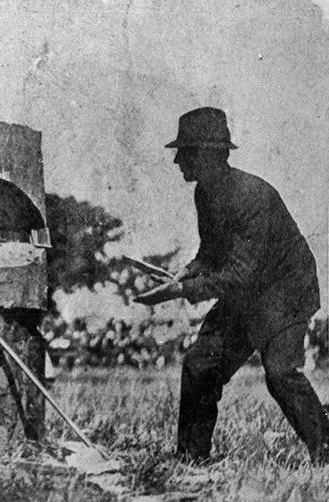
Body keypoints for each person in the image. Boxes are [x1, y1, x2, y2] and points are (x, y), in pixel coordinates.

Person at [134, 107, 329, 465]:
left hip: (286, 291)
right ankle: (191, 459)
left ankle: (325, 449)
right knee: (200, 364)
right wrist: (183, 274)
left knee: (281, 373)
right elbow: (210, 254)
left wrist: (180, 292)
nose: (177, 161)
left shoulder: (252, 196)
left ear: (208, 155)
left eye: (184, 152)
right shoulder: (204, 194)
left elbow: (239, 275)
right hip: (247, 294)